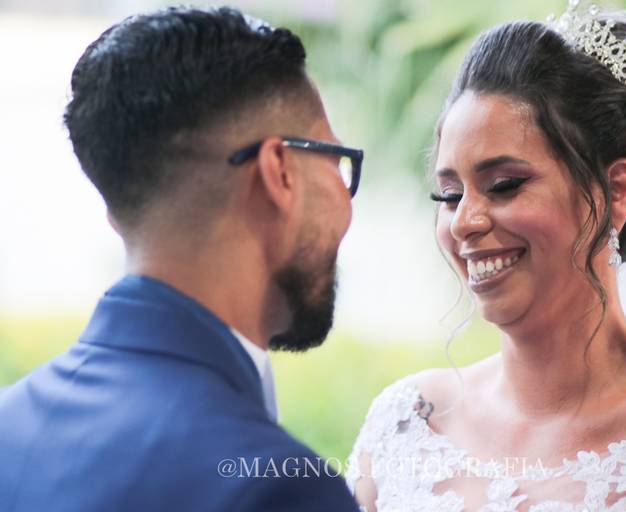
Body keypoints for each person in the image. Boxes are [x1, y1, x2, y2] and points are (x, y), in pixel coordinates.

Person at [347, 3, 626, 511]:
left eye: (504, 185)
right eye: (450, 195)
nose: (464, 222)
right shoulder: (406, 424)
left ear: (615, 191)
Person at [0, 6, 362, 511]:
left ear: (116, 213)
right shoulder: (277, 487)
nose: (346, 201)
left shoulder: (9, 425)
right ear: (279, 172)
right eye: (336, 161)